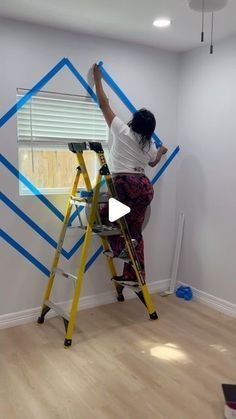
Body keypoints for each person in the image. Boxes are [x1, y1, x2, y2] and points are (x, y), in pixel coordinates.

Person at [93, 64, 167, 287]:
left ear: (134, 121)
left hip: (124, 185)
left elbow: (104, 104)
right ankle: (133, 275)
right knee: (134, 230)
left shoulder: (122, 130)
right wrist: (161, 152)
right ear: (150, 129)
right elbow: (152, 162)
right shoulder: (149, 142)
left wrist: (98, 79)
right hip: (144, 188)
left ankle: (118, 250)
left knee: (105, 217)